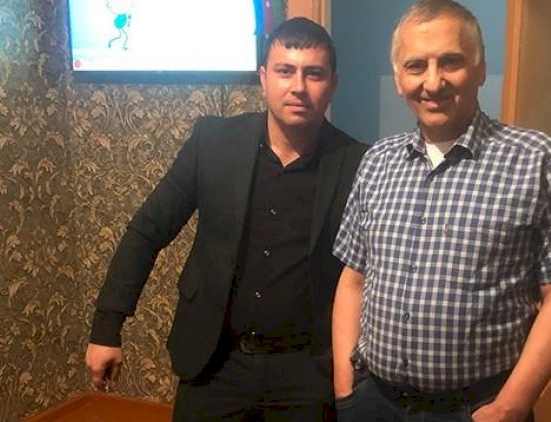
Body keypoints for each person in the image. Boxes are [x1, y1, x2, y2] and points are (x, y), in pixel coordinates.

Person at [331, 1, 551, 421]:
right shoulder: (377, 161)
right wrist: (346, 385)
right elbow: (354, 279)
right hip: (374, 403)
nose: (433, 82)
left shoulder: (537, 159)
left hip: (476, 409)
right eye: (415, 66)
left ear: (480, 69)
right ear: (399, 79)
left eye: (451, 62)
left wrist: (512, 405)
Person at [85, 17, 367, 421]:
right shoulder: (213, 143)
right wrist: (106, 327)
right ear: (264, 78)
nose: (298, 86)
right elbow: (147, 231)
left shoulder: (358, 163)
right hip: (215, 363)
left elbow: (366, 274)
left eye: (314, 74)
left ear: (332, 84)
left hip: (306, 372)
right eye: (285, 71)